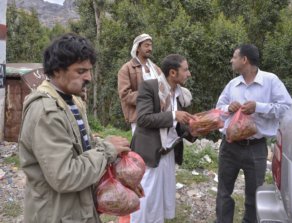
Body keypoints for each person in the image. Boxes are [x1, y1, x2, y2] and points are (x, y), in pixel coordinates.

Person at [18, 33, 131, 223]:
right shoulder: (46, 112)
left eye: (89, 70)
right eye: (80, 71)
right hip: (56, 215)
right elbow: (65, 175)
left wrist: (105, 147)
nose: (89, 77)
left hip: (77, 210)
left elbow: (79, 148)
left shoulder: (71, 101)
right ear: (57, 71)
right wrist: (107, 150)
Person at [215, 44, 292, 223]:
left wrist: (258, 107)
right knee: (223, 192)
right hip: (230, 146)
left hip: (255, 148)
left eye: (234, 57)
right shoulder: (232, 84)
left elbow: (287, 108)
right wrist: (229, 107)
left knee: (253, 195)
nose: (231, 61)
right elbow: (219, 109)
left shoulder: (271, 81)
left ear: (244, 60)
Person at [130, 54, 197, 223]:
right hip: (150, 153)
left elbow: (176, 126)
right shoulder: (149, 87)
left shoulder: (179, 93)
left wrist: (193, 132)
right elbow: (144, 119)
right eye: (186, 69)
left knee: (160, 201)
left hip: (168, 152)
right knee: (146, 199)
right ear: (173, 73)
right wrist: (174, 114)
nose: (188, 74)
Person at [118, 33, 163, 134]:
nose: (150, 48)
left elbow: (164, 89)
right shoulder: (127, 69)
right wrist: (148, 98)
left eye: (151, 45)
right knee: (141, 148)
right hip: (139, 117)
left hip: (158, 116)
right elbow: (125, 95)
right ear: (137, 48)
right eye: (146, 45)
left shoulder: (156, 69)